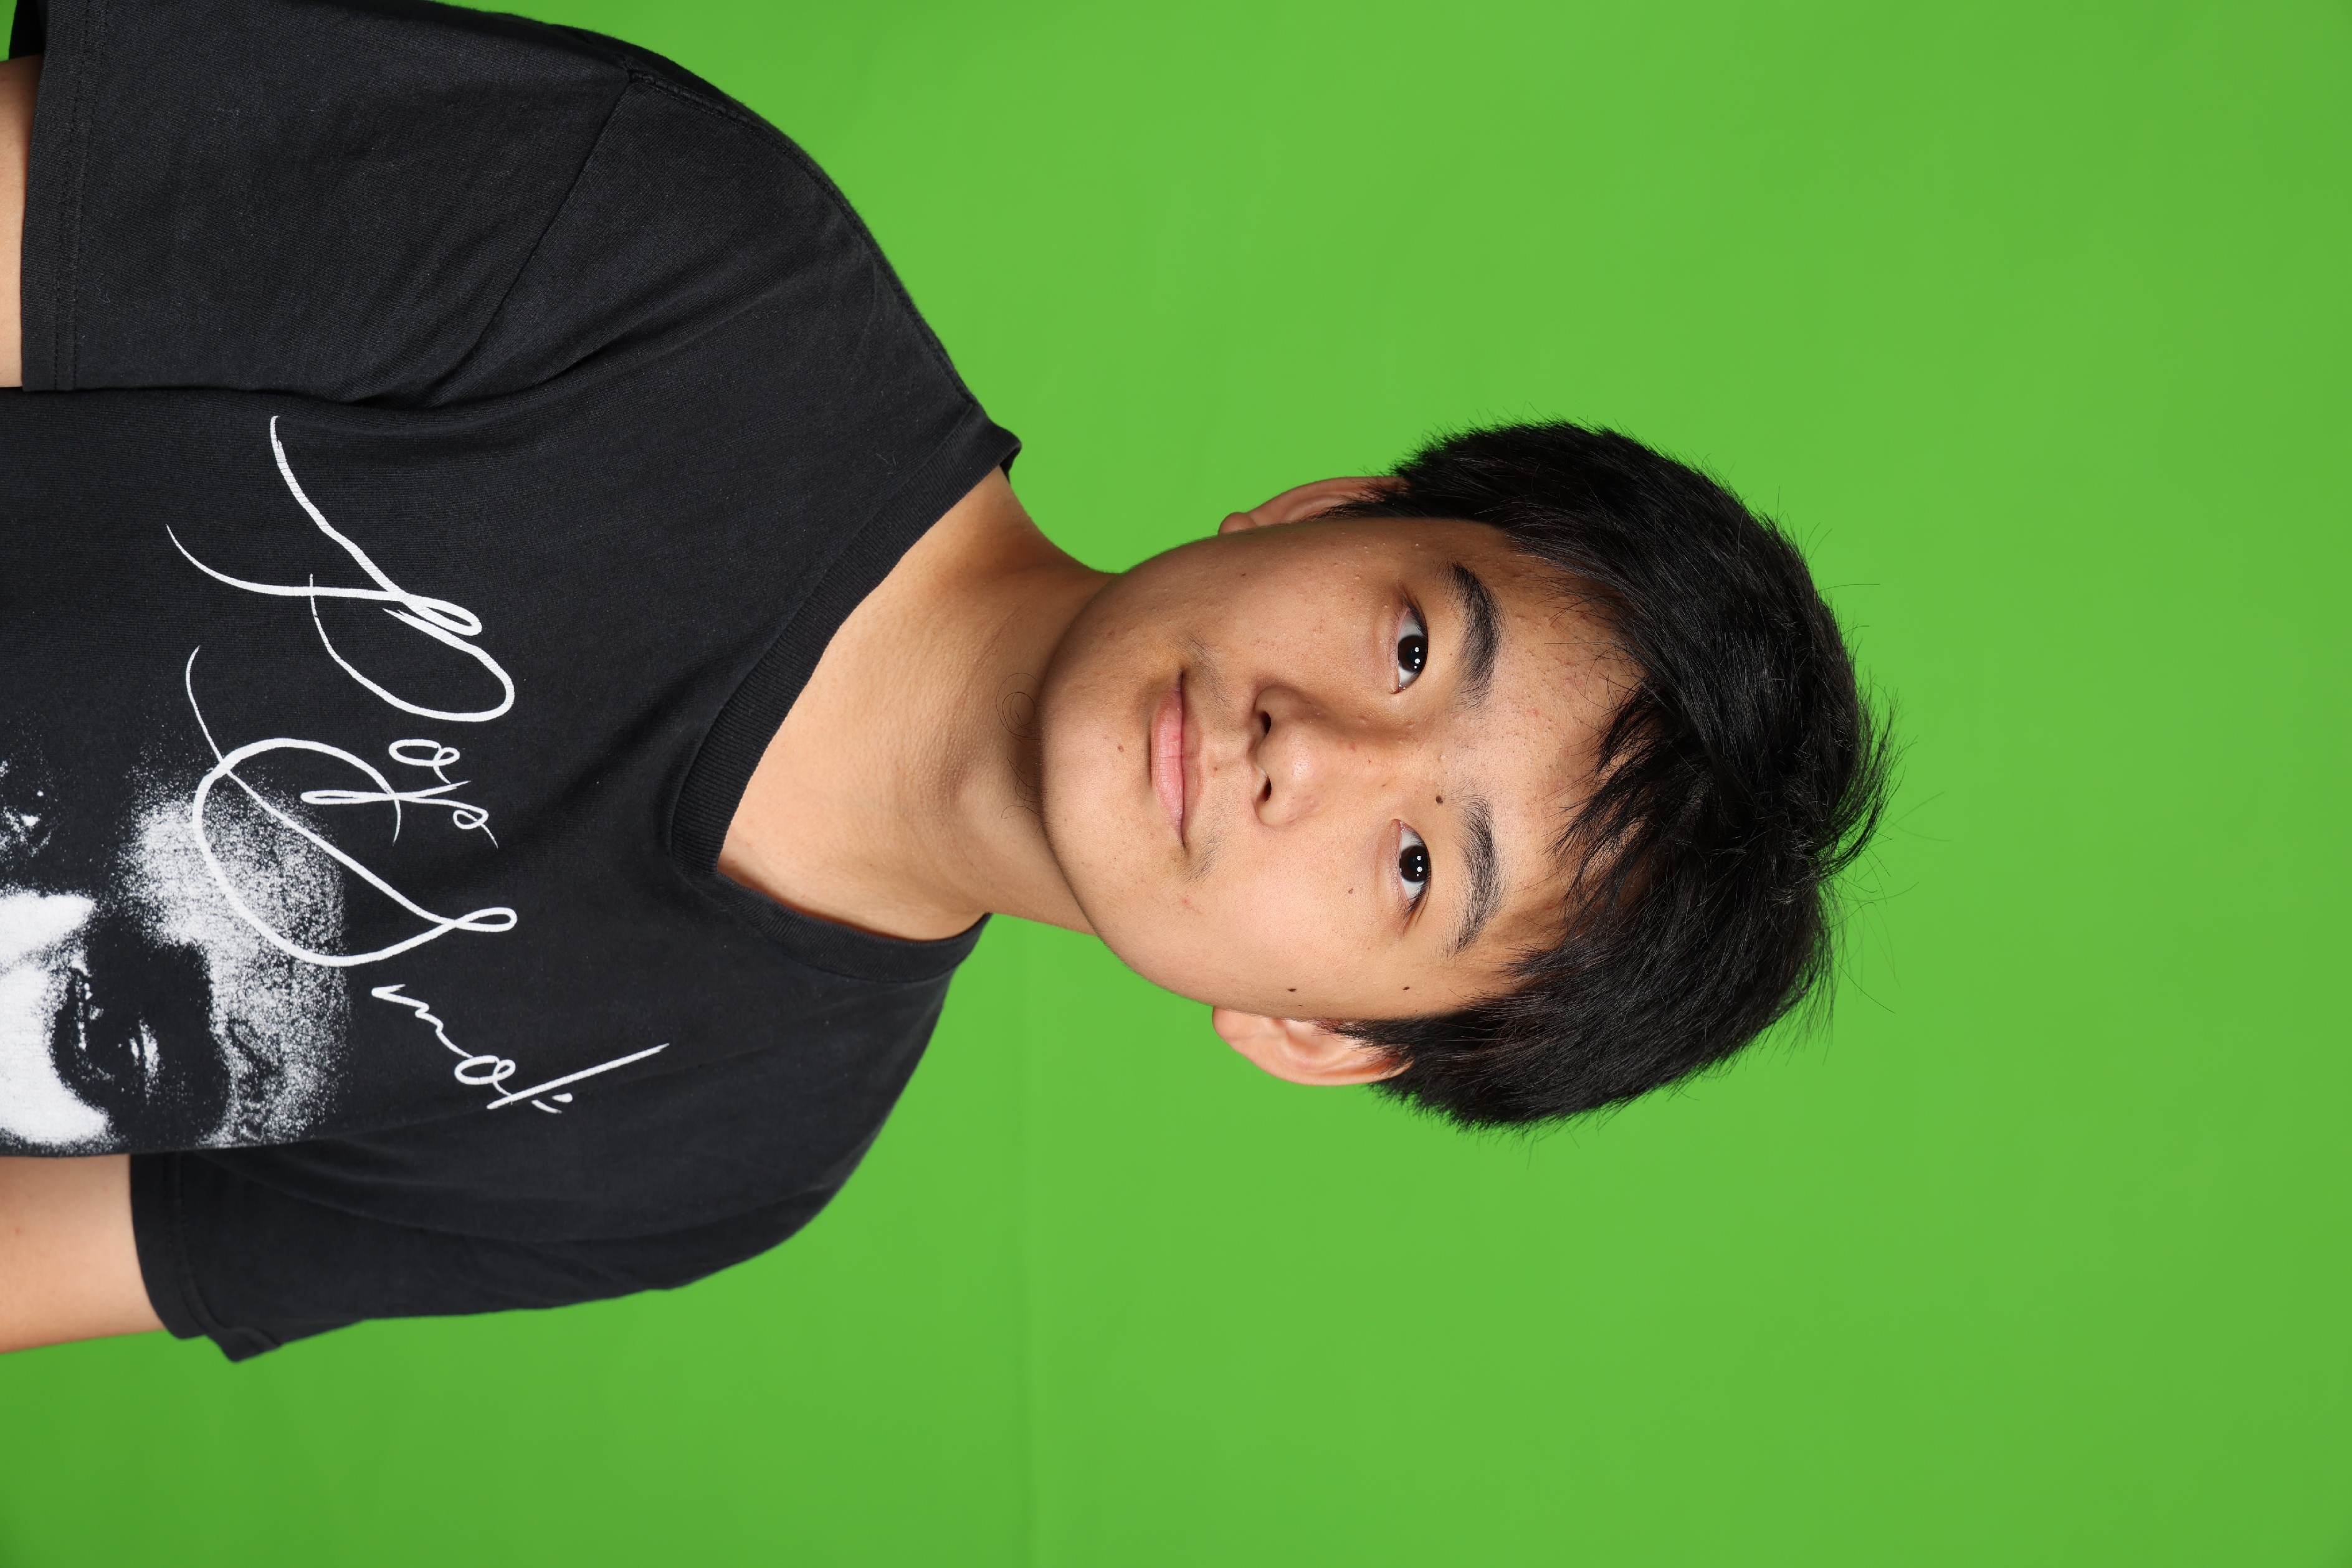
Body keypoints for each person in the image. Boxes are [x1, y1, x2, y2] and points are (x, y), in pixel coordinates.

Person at [0, 0, 1885, 1358]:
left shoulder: (724, 1164)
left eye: (1415, 869)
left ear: (1319, 1035)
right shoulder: (668, 253)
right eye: (1410, 644)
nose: (1307, 750)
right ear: (1324, 512)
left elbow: (46, 1262)